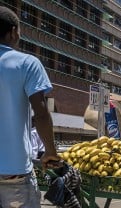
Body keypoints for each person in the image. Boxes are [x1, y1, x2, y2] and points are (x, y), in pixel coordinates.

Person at [0, 6, 60, 207]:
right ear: (14, 32)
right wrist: (50, 151)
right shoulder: (27, 63)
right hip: (13, 174)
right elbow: (41, 113)